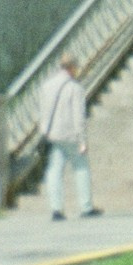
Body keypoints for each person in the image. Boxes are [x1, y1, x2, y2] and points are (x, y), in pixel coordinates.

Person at [39, 57, 97, 220]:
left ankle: (56, 209)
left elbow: (42, 112)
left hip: (52, 135)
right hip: (71, 135)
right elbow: (79, 116)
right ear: (71, 68)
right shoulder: (74, 88)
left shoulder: (46, 86)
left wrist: (45, 132)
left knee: (54, 171)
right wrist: (83, 140)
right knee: (81, 168)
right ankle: (86, 207)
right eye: (76, 67)